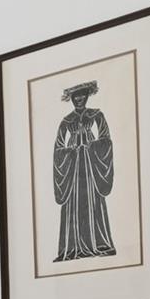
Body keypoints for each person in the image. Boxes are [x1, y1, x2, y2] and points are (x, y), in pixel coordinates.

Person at [51, 80, 117, 261]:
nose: (79, 98)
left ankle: (99, 243)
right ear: (71, 98)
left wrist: (89, 148)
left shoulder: (97, 115)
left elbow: (106, 139)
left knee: (92, 199)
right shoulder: (66, 121)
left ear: (87, 95)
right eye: (76, 96)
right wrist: (71, 153)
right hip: (73, 166)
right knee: (73, 202)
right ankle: (72, 248)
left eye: (82, 95)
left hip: (90, 164)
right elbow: (58, 148)